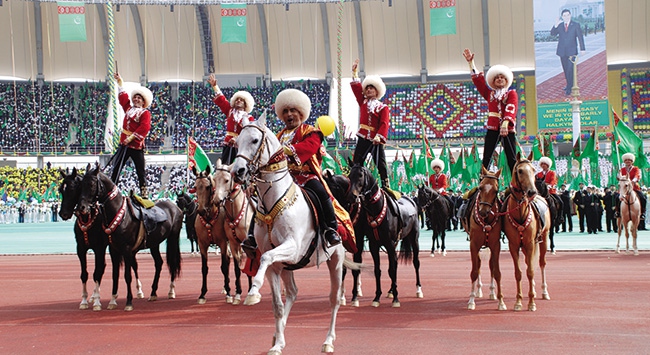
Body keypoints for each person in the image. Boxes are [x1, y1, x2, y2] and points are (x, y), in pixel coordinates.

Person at [241, 89, 341, 257]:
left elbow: (309, 148)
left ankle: (330, 230)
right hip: (281, 179)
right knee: (260, 201)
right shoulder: (278, 135)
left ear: (301, 113)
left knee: (320, 192)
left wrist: (285, 150)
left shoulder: (311, 132)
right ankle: (252, 236)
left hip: (305, 176)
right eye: (286, 111)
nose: (289, 114)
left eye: (293, 110)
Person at [463, 48, 518, 173]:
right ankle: (482, 181)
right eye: (497, 77)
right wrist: (471, 64)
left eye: (502, 77)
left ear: (506, 80)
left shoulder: (511, 93)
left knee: (512, 158)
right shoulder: (490, 94)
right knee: (487, 157)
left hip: (507, 129)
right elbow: (478, 81)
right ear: (493, 81)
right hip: (492, 128)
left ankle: (518, 184)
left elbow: (511, 108)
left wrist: (505, 123)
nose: (499, 79)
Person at [350, 59, 398, 199]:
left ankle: (386, 186)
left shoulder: (383, 107)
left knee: (381, 164)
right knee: (356, 163)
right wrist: (354, 72)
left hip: (376, 140)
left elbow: (384, 123)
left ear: (377, 91)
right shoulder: (363, 102)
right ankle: (353, 184)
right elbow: (356, 88)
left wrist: (379, 136)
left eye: (372, 88)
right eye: (367, 88)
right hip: (363, 137)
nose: (369, 90)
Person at [111, 72, 153, 197]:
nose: (136, 99)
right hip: (124, 144)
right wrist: (120, 82)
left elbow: (144, 127)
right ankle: (112, 188)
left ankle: (144, 193)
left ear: (143, 101)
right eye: (135, 97)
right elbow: (123, 99)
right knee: (117, 167)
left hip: (136, 146)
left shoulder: (145, 113)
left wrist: (130, 138)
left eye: (139, 98)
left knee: (140, 171)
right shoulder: (129, 109)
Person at [207, 74, 255, 164]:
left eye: (241, 100)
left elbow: (249, 133)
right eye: (237, 99)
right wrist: (215, 86)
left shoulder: (249, 118)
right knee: (224, 166)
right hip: (228, 143)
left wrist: (237, 139)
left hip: (241, 145)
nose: (238, 101)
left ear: (246, 104)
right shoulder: (230, 111)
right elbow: (222, 99)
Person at [550, 9, 586, 96]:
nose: (566, 17)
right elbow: (552, 34)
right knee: (565, 69)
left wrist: (582, 49)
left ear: (570, 15)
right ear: (562, 17)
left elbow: (580, 37)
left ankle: (570, 87)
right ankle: (569, 84)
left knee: (570, 69)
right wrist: (555, 25)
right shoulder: (560, 25)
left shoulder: (575, 25)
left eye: (567, 15)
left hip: (572, 51)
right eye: (564, 15)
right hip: (562, 51)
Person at [619, 152, 647, 230]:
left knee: (642, 197)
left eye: (629, 160)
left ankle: (642, 213)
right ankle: (617, 212)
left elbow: (637, 175)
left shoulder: (636, 169)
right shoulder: (622, 169)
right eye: (626, 160)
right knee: (616, 197)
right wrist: (619, 176)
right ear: (624, 161)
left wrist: (633, 181)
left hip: (634, 187)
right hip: (624, 188)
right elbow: (619, 177)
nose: (628, 161)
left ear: (632, 161)